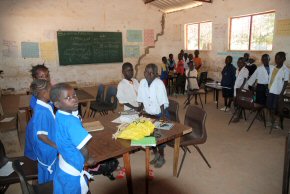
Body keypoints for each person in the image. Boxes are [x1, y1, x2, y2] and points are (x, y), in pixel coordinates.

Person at [51, 83, 96, 194]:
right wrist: (87, 160)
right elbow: (84, 149)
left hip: (64, 162)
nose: (74, 100)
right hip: (73, 170)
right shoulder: (71, 122)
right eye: (68, 98)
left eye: (74, 95)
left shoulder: (59, 115)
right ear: (57, 104)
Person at [137, 63, 169, 168]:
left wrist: (163, 116)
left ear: (151, 74)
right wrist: (140, 109)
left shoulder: (159, 83)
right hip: (149, 113)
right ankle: (156, 155)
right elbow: (141, 97)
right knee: (150, 135)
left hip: (160, 113)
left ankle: (162, 157)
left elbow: (162, 101)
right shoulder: (143, 82)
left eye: (146, 71)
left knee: (159, 138)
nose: (144, 73)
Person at [29, 79, 57, 183]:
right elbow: (41, 135)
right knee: (49, 174)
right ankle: (48, 187)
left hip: (49, 146)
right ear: (44, 93)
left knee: (52, 170)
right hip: (47, 149)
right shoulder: (42, 112)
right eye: (51, 89)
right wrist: (55, 145)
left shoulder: (46, 105)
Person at [267, 52, 289, 127]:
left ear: (284, 59)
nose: (277, 60)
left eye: (279, 58)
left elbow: (286, 82)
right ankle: (273, 121)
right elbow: (270, 79)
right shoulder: (273, 67)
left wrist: (281, 94)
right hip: (271, 90)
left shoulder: (285, 70)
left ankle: (280, 122)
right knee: (270, 107)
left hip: (278, 92)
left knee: (278, 109)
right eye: (276, 58)